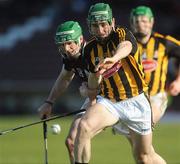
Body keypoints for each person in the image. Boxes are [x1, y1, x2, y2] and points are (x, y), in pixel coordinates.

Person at [74, 3, 166, 164]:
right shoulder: (89, 50)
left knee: (144, 157)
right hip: (110, 102)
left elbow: (127, 46)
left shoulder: (122, 34)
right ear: (89, 26)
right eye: (95, 25)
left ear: (112, 22)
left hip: (137, 101)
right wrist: (93, 85)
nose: (100, 30)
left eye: (103, 24)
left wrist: (114, 58)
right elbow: (94, 80)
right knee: (84, 127)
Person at [113, 6, 180, 135]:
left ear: (151, 22)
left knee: (144, 126)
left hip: (156, 96)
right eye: (136, 21)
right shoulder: (124, 45)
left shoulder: (163, 42)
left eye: (144, 21)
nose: (140, 25)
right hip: (131, 98)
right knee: (141, 152)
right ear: (131, 23)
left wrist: (178, 81)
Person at [38, 21, 91, 164]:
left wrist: (90, 90)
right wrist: (49, 102)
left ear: (80, 39)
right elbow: (64, 78)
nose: (66, 49)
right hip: (95, 99)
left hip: (117, 99)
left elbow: (112, 80)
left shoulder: (93, 52)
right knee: (71, 140)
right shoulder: (70, 57)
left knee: (144, 155)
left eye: (69, 43)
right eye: (62, 45)